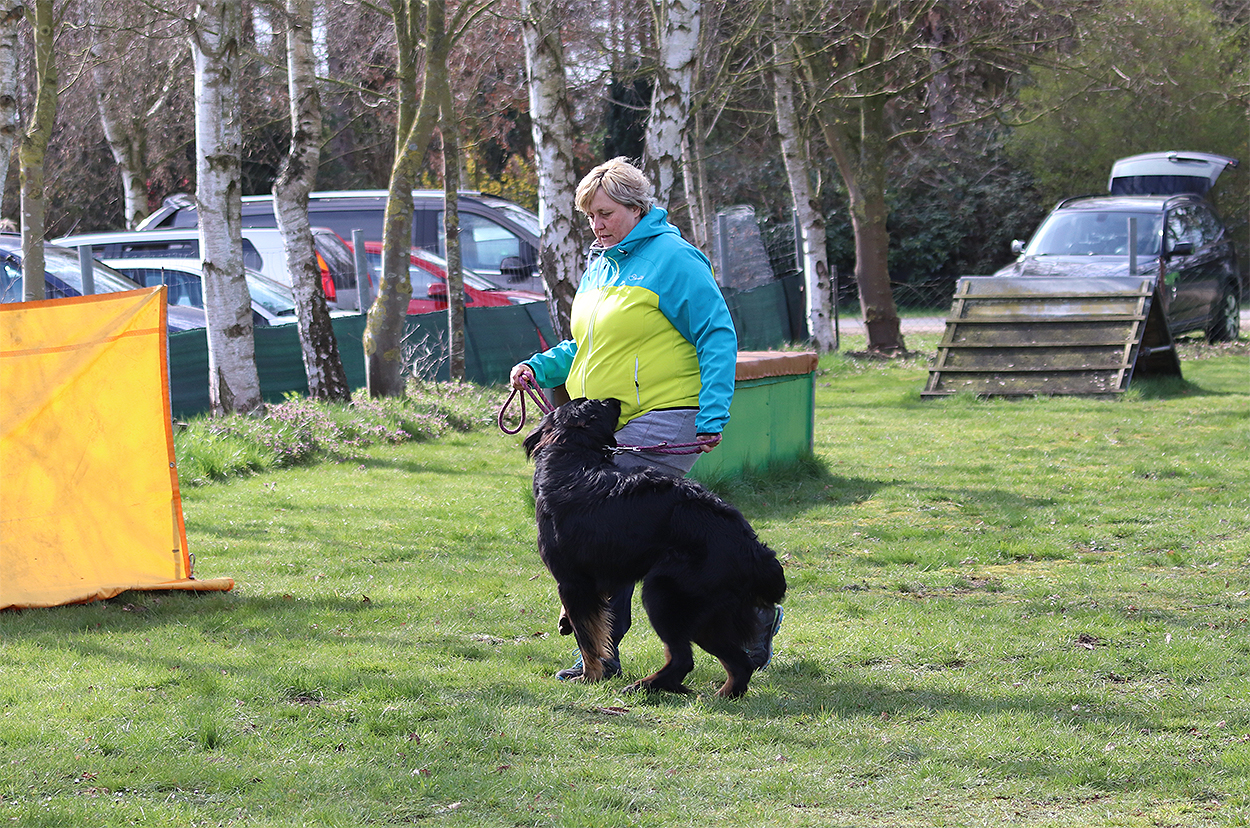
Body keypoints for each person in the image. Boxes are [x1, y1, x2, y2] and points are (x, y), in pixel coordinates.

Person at [509, 157, 783, 681]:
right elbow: (587, 346)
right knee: (614, 532)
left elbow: (716, 333)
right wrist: (538, 367)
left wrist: (713, 411)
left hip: (665, 414)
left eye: (606, 213)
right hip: (605, 424)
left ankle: (602, 656)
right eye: (590, 216)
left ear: (636, 208)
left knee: (611, 526)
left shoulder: (675, 259)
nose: (597, 225)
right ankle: (747, 613)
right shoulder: (601, 266)